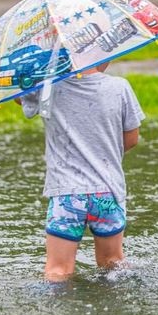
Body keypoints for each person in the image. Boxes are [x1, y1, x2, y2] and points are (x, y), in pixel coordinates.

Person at [16, 61, 144, 282]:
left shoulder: (49, 87)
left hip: (66, 195)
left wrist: (29, 75)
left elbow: (22, 98)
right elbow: (132, 139)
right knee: (113, 264)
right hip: (107, 192)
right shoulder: (120, 87)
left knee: (58, 269)